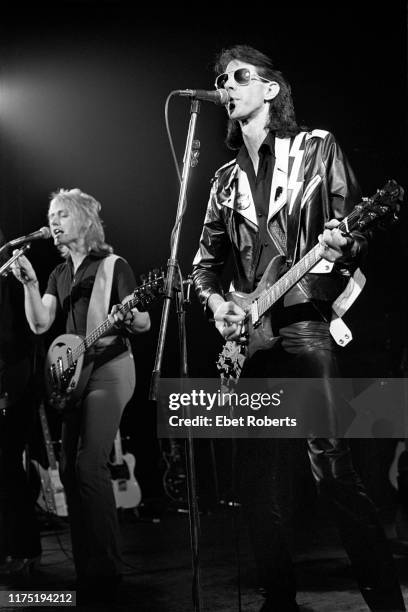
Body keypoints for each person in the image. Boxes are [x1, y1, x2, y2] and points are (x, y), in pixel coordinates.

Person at [192, 45, 405, 611]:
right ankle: (276, 597)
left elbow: (353, 223)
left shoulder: (315, 148)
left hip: (306, 323)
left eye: (239, 77)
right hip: (251, 337)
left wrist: (343, 240)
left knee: (330, 463)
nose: (226, 85)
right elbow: (203, 267)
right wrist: (218, 306)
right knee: (259, 478)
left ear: (270, 89)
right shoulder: (222, 181)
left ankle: (385, 598)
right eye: (220, 79)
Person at [11, 188, 150, 602]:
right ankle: (87, 569)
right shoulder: (56, 274)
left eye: (61, 215)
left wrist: (129, 317)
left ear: (84, 220)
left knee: (90, 464)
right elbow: (40, 325)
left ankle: (106, 570)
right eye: (51, 216)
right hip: (74, 377)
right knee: (70, 468)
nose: (53, 222)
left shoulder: (113, 265)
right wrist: (30, 286)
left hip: (110, 368)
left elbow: (141, 321)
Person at [0, 227, 42, 577]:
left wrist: (10, 387)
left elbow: (28, 334)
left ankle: (24, 549)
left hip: (13, 383)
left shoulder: (11, 271)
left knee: (8, 467)